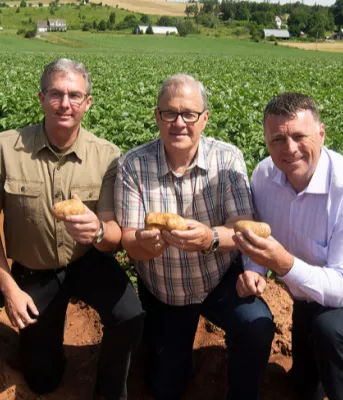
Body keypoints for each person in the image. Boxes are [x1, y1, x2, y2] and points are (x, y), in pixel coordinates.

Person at [114, 74, 274, 400]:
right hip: (165, 291)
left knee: (256, 325)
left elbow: (242, 225)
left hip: (218, 280)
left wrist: (211, 238)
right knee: (166, 386)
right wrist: (144, 245)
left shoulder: (226, 158)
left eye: (189, 114)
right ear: (157, 116)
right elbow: (128, 238)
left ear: (205, 118)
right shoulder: (133, 165)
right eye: (169, 113)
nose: (179, 123)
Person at [0, 58, 144, 400]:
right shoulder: (6, 148)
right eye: (56, 94)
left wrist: (97, 230)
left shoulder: (106, 155)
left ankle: (110, 390)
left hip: (85, 260)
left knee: (129, 314)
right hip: (33, 270)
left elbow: (111, 236)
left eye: (75, 96)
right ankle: (45, 350)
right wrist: (9, 289)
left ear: (88, 103)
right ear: (40, 98)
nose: (65, 104)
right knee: (42, 379)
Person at [233, 92, 343, 400]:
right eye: (278, 139)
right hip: (307, 299)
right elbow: (258, 232)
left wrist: (284, 264)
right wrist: (255, 269)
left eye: (299, 136)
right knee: (303, 387)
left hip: (339, 302)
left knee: (330, 329)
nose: (289, 148)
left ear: (321, 134)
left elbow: (341, 287)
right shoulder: (265, 175)